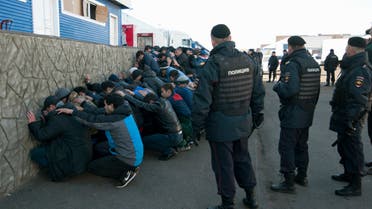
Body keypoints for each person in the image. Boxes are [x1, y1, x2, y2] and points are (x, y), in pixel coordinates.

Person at [192, 24, 265, 209]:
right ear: (230, 37)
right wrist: (257, 116)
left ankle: (227, 203)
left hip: (220, 125)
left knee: (223, 165)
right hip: (243, 121)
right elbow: (258, 92)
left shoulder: (213, 64)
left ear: (213, 40)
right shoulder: (248, 60)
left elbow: (202, 101)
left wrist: (196, 127)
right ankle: (251, 197)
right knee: (243, 159)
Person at [57, 93, 143, 188]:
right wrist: (84, 103)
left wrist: (73, 112)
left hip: (128, 158)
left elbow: (93, 120)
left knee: (92, 167)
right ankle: (117, 164)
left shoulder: (115, 120)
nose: (104, 106)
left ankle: (126, 172)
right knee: (98, 148)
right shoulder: (124, 111)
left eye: (106, 105)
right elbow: (97, 111)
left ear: (111, 105)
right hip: (133, 151)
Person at [271, 36, 321, 193]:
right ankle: (302, 176)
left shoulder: (293, 64)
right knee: (301, 146)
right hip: (307, 110)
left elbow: (289, 89)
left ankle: (288, 182)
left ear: (291, 47)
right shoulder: (313, 63)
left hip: (293, 112)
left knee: (287, 147)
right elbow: (317, 90)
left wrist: (278, 86)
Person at [329, 37, 370, 196]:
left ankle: (355, 184)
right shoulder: (351, 65)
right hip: (344, 113)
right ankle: (348, 173)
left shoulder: (360, 69)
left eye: (347, 47)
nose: (345, 49)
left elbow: (359, 98)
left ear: (351, 49)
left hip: (351, 117)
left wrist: (352, 121)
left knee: (353, 149)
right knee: (343, 146)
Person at [26, 96, 92, 181]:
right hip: (84, 154)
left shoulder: (58, 118)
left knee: (35, 154)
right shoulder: (72, 111)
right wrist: (48, 118)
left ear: (52, 107)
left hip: (73, 159)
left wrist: (33, 123)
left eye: (47, 109)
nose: (46, 112)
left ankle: (58, 169)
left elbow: (42, 135)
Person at [123, 90, 189, 160]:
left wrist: (125, 96)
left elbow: (143, 105)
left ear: (151, 101)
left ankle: (169, 150)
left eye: (149, 103)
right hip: (177, 134)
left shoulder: (158, 106)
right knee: (152, 136)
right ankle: (171, 146)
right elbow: (145, 102)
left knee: (144, 141)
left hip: (172, 137)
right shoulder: (164, 101)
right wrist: (133, 94)